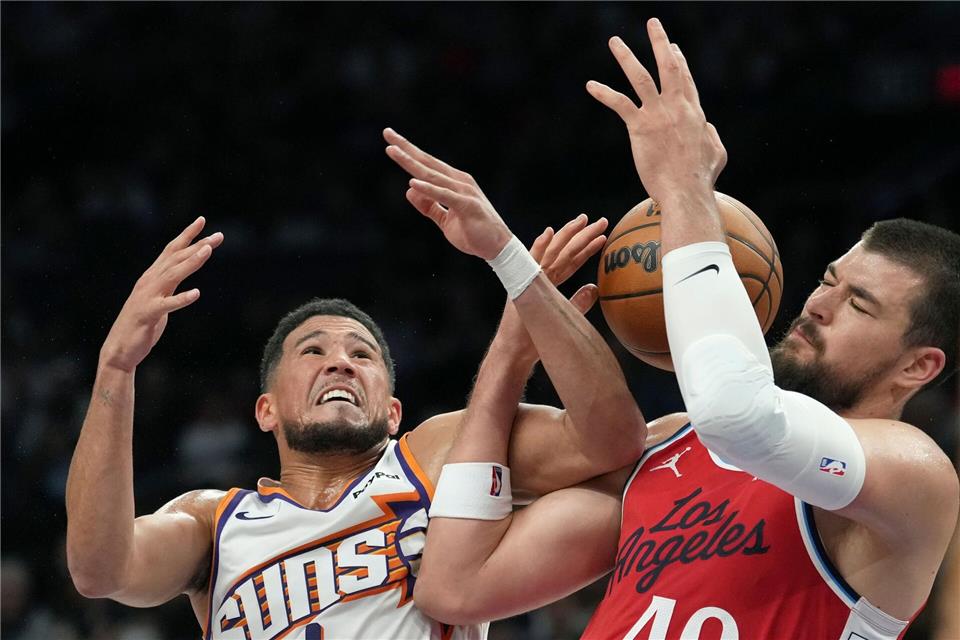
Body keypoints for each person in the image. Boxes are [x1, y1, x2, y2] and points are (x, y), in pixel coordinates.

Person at [407, 18, 960, 640]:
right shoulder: (672, 445)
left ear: (920, 366)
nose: (818, 306)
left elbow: (739, 415)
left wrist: (683, 185)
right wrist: (512, 289)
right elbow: (456, 587)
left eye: (858, 304)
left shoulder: (915, 477)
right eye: (828, 280)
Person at [64, 204, 648, 637]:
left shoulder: (440, 453)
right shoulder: (214, 523)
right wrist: (116, 367)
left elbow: (610, 442)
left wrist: (529, 292)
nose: (340, 361)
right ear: (265, 410)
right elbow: (99, 569)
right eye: (313, 351)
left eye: (362, 355)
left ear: (393, 413)